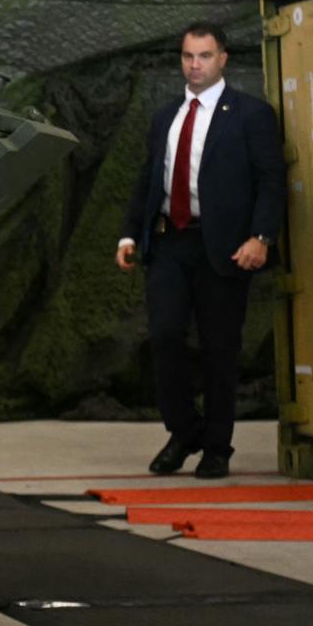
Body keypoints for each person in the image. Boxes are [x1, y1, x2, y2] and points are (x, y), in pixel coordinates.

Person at [116, 24, 284, 479]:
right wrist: (130, 235)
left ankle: (216, 448)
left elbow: (271, 180)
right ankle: (185, 430)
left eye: (205, 56)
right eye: (188, 56)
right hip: (169, 241)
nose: (195, 65)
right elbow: (149, 180)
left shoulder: (251, 114)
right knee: (165, 337)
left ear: (223, 59)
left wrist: (261, 237)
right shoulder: (165, 116)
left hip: (225, 246)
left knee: (219, 348)